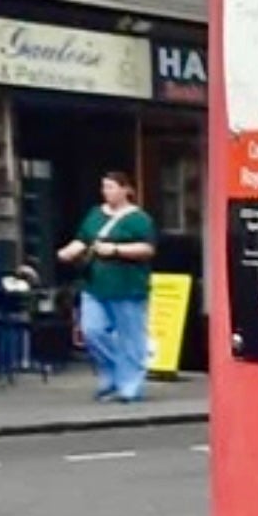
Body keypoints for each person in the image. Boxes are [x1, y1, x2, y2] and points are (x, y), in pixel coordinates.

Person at [58, 169, 155, 403]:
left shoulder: (139, 219)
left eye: (111, 187)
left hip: (128, 286)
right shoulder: (94, 214)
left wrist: (116, 250)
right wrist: (69, 251)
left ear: (126, 190)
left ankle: (129, 386)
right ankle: (113, 374)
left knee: (132, 337)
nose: (106, 192)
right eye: (104, 187)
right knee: (92, 331)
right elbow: (83, 238)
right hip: (95, 285)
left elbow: (147, 249)